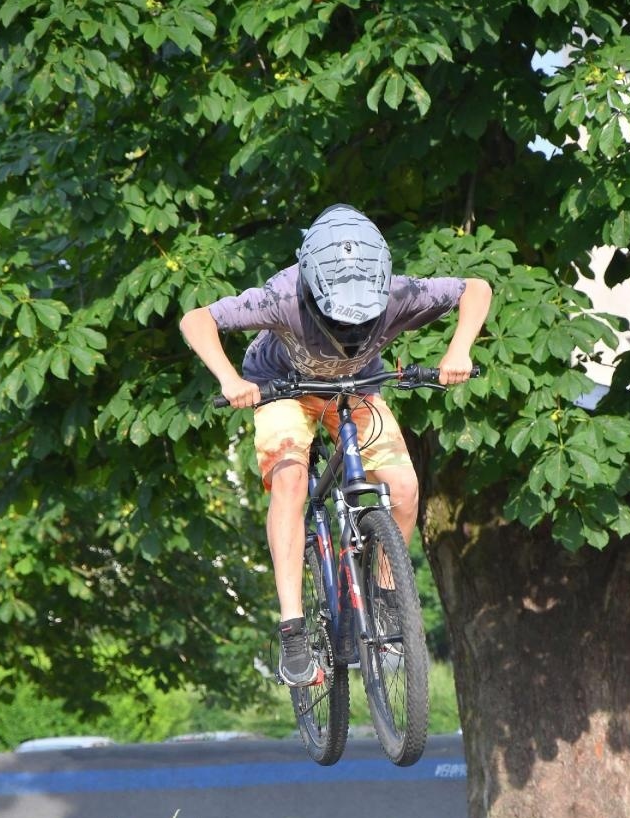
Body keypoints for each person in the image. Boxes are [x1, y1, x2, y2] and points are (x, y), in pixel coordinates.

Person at [180, 203, 491, 686]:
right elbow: (196, 320)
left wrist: (459, 349)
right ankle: (293, 630)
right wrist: (228, 379)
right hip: (281, 388)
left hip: (356, 390)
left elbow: (475, 289)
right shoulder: (282, 294)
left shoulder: (396, 292)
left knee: (404, 488)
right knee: (289, 482)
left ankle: (387, 598)